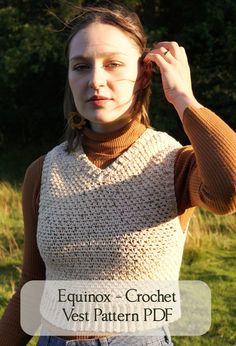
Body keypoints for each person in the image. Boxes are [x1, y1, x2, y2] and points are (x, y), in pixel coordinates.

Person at [0, 3, 236, 346]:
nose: (96, 79)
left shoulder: (174, 163)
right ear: (69, 76)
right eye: (81, 66)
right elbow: (31, 288)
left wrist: (184, 98)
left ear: (143, 74)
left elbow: (230, 188)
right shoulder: (44, 171)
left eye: (113, 64)